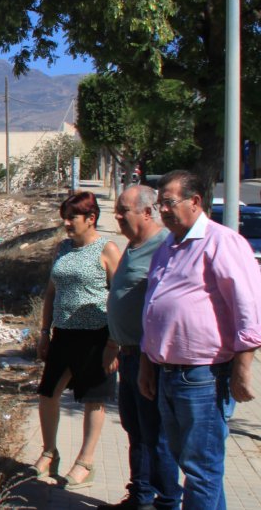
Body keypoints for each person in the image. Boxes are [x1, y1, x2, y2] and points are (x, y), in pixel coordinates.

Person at [140, 170, 261, 509]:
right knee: (193, 467)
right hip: (168, 373)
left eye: (169, 202)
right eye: (159, 203)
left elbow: (248, 308)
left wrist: (243, 368)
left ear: (195, 202)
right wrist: (148, 366)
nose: (162, 210)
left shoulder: (222, 242)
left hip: (204, 376)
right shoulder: (168, 246)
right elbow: (153, 310)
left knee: (202, 469)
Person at [32, 191, 122, 489]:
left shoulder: (106, 249)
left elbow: (122, 297)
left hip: (97, 337)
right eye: (65, 218)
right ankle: (49, 451)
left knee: (93, 399)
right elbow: (51, 292)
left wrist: (115, 343)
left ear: (91, 218)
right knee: (48, 393)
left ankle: (85, 462)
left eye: (72, 218)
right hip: (63, 335)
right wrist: (45, 332)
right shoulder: (63, 249)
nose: (67, 224)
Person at [99, 185, 180, 510]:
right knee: (135, 431)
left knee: (156, 436)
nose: (116, 216)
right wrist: (113, 343)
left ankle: (167, 501)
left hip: (149, 360)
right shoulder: (133, 246)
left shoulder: (164, 247)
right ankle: (140, 496)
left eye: (123, 211)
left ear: (148, 213)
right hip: (128, 355)